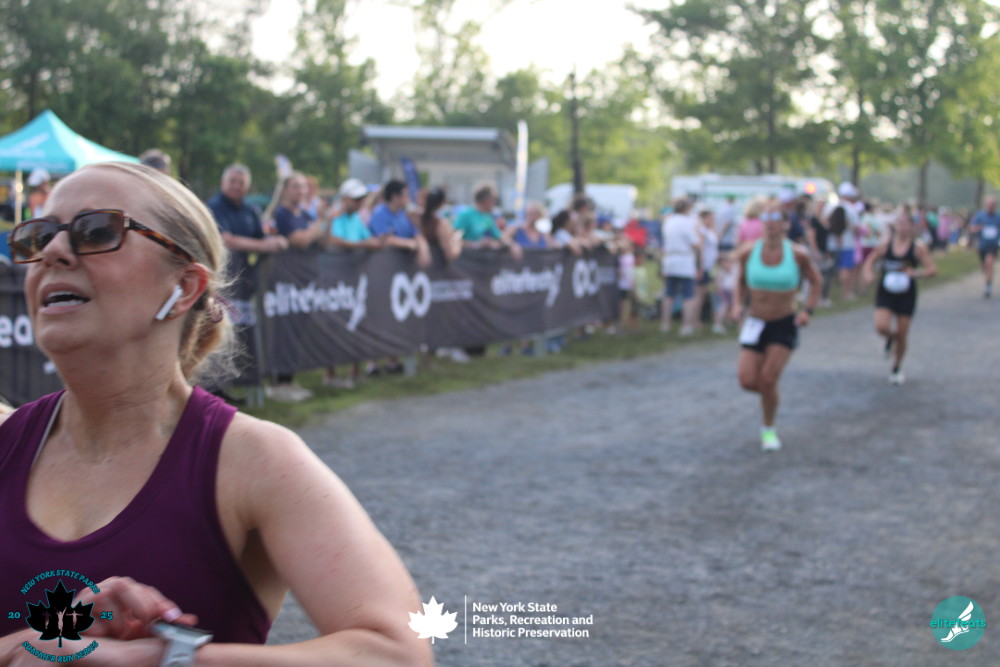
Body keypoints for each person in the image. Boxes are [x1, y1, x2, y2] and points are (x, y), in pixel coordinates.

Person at [0, 162, 431, 664]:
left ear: (184, 287)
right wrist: (34, 643)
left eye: (96, 231)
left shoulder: (254, 461)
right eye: (38, 236)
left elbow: (399, 653)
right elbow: (41, 649)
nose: (53, 251)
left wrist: (160, 660)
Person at [732, 197, 822, 452]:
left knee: (768, 378)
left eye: (775, 219)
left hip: (784, 322)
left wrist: (808, 310)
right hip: (755, 322)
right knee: (747, 380)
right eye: (766, 218)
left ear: (785, 224)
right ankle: (771, 397)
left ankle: (768, 428)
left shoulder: (798, 254)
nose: (770, 224)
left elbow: (816, 281)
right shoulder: (748, 252)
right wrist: (737, 305)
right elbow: (740, 281)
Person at [860, 204, 937, 385]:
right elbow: (870, 261)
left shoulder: (918, 248)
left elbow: (932, 269)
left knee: (903, 332)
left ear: (911, 226)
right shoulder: (885, 245)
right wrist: (868, 274)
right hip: (886, 292)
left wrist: (916, 273)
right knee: (881, 326)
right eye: (899, 222)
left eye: (905, 223)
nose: (902, 226)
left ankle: (896, 367)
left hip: (906, 293)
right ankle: (890, 338)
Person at [323, 178, 388, 389]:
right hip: (335, 282)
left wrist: (376, 243)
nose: (359, 203)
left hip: (353, 281)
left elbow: (366, 239)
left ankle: (354, 373)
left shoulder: (357, 219)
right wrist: (361, 244)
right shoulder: (335, 217)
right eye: (355, 199)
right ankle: (331, 375)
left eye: (361, 199)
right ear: (344, 199)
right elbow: (332, 240)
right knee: (334, 326)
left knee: (357, 322)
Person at [660, 197, 701, 336]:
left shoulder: (669, 221)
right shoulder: (688, 222)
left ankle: (665, 324)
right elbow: (695, 243)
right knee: (688, 295)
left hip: (670, 260)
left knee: (668, 294)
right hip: (684, 260)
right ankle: (686, 325)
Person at [969, 195, 1000, 298]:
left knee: (989, 263)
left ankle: (988, 286)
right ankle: (988, 279)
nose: (990, 206)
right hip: (982, 245)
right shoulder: (980, 216)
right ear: (986, 205)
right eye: (989, 204)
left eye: (992, 204)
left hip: (993, 246)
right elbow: (971, 228)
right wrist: (978, 228)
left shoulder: (998, 217)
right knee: (985, 266)